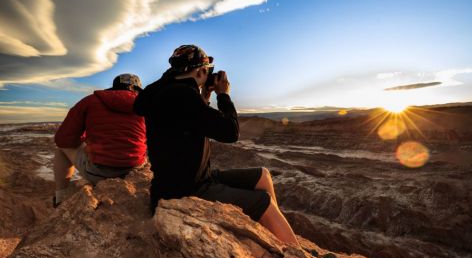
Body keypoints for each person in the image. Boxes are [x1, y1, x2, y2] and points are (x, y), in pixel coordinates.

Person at [133, 45, 300, 246]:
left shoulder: (164, 93)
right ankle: (295, 254)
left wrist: (204, 93)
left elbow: (193, 120)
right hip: (188, 189)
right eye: (207, 70)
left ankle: (274, 233)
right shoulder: (184, 96)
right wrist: (223, 94)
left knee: (262, 175)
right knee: (263, 202)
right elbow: (230, 132)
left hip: (188, 179)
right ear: (201, 71)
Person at [53, 74, 147, 206]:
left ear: (113, 88)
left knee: (60, 151)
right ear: (137, 89)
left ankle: (59, 199)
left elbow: (63, 139)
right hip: (135, 168)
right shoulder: (146, 104)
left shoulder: (90, 101)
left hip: (99, 172)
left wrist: (87, 143)